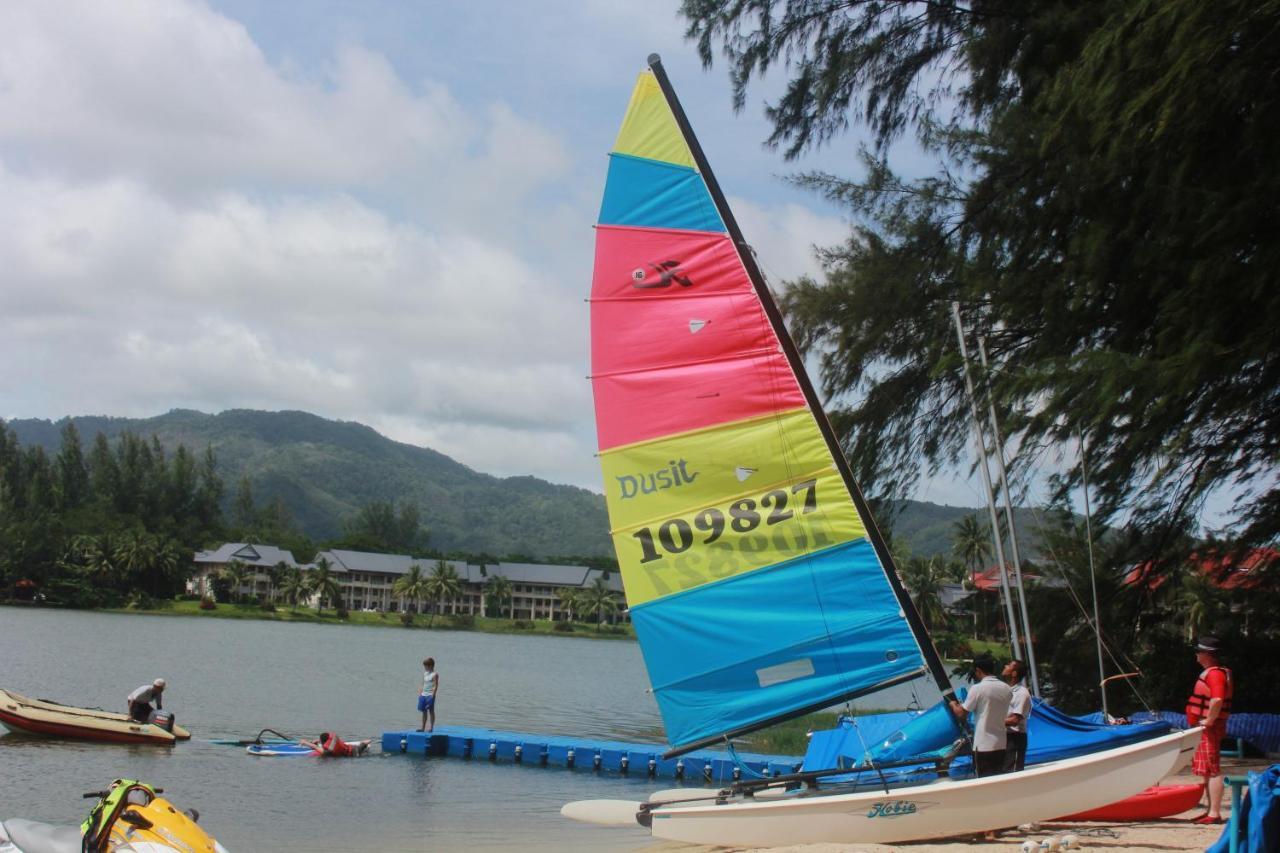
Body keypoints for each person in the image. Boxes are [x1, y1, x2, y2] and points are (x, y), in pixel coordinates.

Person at [1186, 635, 1233, 825]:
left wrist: (1209, 720)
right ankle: (1210, 811)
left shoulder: (1215, 674)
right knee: (1206, 769)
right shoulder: (1214, 672)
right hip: (1205, 727)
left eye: (1198, 651)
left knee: (1212, 769)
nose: (1196, 655)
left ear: (1208, 654)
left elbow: (1217, 699)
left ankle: (1214, 812)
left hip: (1209, 728)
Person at [949, 653, 1012, 777]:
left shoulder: (977, 688)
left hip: (983, 745)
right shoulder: (1006, 688)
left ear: (978, 670)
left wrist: (952, 704)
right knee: (999, 779)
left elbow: (962, 714)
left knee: (984, 780)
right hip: (1001, 742)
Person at [1002, 659, 1031, 771]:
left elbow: (1015, 720)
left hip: (1015, 738)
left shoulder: (1022, 693)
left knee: (1013, 771)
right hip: (1004, 736)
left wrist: (992, 721)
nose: (1005, 666)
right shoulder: (1006, 691)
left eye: (1009, 665)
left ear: (1014, 673)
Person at [417, 657, 439, 732]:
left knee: (431, 711)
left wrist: (433, 694)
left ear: (431, 666)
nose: (425, 668)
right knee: (423, 711)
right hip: (423, 694)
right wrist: (420, 693)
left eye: (426, 666)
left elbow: (435, 685)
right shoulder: (425, 674)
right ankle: (422, 728)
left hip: (430, 694)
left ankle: (431, 728)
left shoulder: (435, 674)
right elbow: (423, 684)